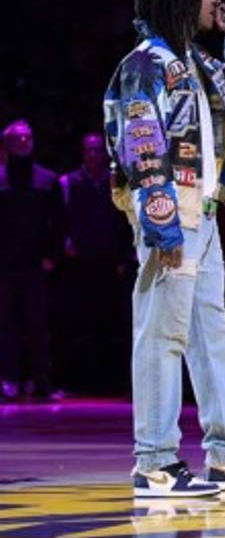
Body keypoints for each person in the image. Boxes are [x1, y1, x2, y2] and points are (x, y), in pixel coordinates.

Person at [103, 0, 225, 497]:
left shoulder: (194, 62)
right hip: (172, 213)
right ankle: (155, 461)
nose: (216, 0)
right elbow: (140, 142)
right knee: (162, 335)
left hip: (204, 213)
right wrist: (161, 224)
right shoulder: (145, 65)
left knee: (212, 336)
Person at [57, 132, 134, 395]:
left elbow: (126, 224)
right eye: (88, 150)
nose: (93, 155)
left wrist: (123, 258)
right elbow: (59, 222)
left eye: (98, 150)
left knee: (110, 324)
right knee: (76, 324)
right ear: (82, 153)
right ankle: (74, 382)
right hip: (77, 265)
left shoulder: (117, 184)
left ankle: (110, 383)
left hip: (109, 265)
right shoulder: (68, 183)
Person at [0, 120, 66, 400]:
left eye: (27, 138)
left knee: (38, 324)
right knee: (6, 323)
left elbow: (59, 222)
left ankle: (41, 381)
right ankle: (9, 380)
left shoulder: (46, 180)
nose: (23, 144)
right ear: (6, 145)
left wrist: (52, 255)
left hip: (36, 264)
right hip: (4, 265)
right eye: (17, 140)